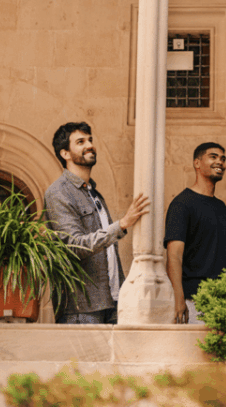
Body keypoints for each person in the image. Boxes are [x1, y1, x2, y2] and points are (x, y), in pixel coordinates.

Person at [44, 122, 150, 324]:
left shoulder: (93, 193)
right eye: (81, 142)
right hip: (81, 307)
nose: (89, 145)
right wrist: (122, 224)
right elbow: (74, 245)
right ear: (65, 153)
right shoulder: (59, 192)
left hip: (111, 299)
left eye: (90, 140)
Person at [164, 142, 226, 325]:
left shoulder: (221, 207)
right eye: (213, 157)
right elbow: (174, 256)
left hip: (222, 301)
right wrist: (179, 300)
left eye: (223, 158)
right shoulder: (182, 204)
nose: (220, 162)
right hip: (193, 300)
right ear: (197, 163)